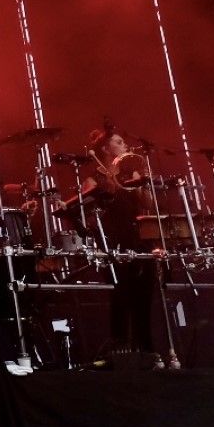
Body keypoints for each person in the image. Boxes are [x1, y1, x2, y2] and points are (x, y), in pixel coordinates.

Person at [78, 124, 161, 366]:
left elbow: (149, 204)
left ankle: (147, 349)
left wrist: (143, 180)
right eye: (118, 142)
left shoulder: (132, 175)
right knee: (121, 294)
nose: (124, 146)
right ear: (105, 148)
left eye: (123, 143)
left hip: (140, 238)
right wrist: (111, 176)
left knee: (145, 295)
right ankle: (121, 348)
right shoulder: (94, 178)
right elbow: (90, 214)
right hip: (114, 241)